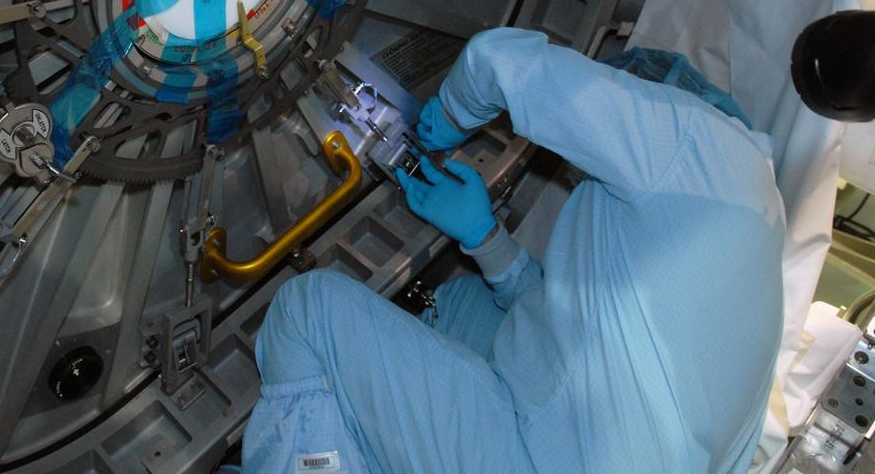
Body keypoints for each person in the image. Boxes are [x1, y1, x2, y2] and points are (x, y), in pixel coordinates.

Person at [240, 27, 785, 474]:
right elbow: (580, 331)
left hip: (547, 458)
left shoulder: (696, 147)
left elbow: (496, 60)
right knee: (454, 306)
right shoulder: (742, 230)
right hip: (578, 434)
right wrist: (485, 238)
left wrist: (449, 118)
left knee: (307, 310)